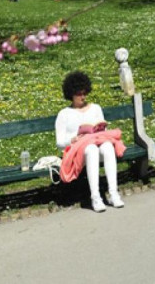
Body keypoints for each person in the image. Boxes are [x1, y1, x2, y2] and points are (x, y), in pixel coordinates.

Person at [54, 71, 125, 212]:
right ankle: (96, 197)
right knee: (91, 149)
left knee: (107, 147)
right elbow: (59, 142)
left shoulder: (95, 108)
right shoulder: (64, 114)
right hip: (77, 151)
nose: (83, 96)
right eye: (79, 94)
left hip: (97, 143)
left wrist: (100, 130)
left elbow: (104, 130)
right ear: (71, 94)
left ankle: (113, 193)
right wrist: (72, 139)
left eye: (85, 93)